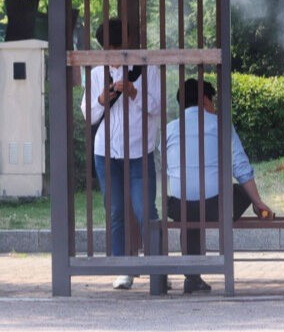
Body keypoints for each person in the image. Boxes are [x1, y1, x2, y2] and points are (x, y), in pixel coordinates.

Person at [165, 78, 272, 294]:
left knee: (190, 211)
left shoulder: (169, 129)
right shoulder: (220, 124)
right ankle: (198, 275)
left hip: (178, 207)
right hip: (216, 208)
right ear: (205, 99)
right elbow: (240, 166)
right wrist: (257, 202)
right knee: (238, 192)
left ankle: (192, 277)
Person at [80, 17, 161, 291]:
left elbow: (156, 107)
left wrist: (133, 91)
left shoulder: (146, 69)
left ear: (128, 44)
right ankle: (123, 268)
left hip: (140, 150)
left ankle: (157, 267)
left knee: (144, 209)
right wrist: (102, 99)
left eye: (116, 47)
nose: (112, 54)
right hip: (105, 153)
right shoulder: (95, 74)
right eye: (107, 48)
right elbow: (88, 116)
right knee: (115, 211)